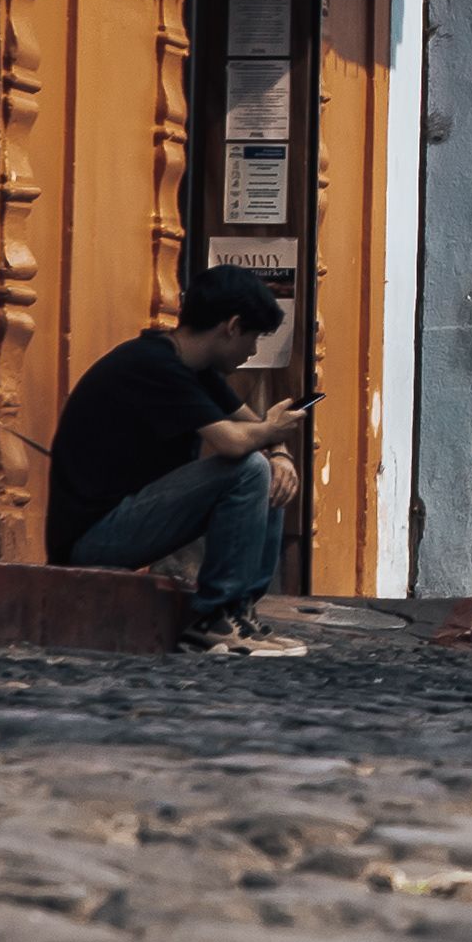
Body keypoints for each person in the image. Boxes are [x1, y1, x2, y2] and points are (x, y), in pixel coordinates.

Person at [48, 271, 306, 655]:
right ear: (233, 327)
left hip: (129, 520)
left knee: (266, 468)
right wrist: (271, 435)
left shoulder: (194, 368)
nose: (253, 350)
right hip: (93, 539)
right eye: (254, 337)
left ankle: (239, 615)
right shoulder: (153, 364)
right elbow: (233, 441)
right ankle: (214, 622)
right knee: (250, 468)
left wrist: (281, 455)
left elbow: (253, 426)